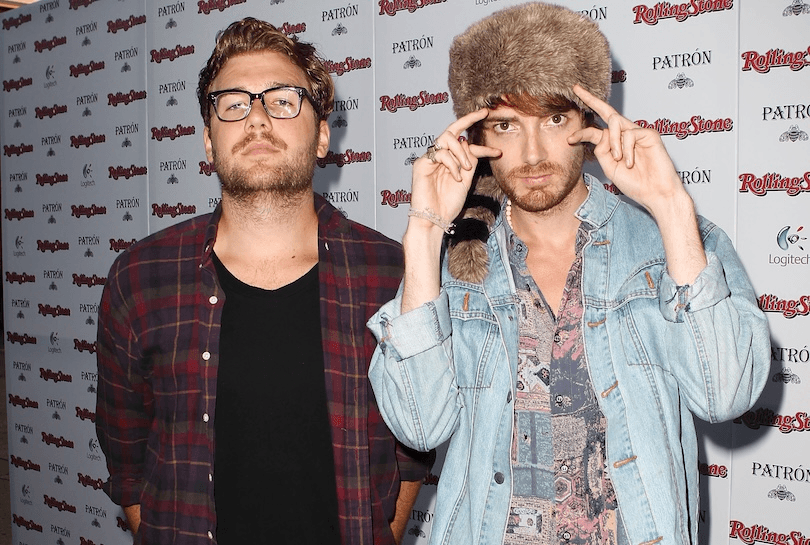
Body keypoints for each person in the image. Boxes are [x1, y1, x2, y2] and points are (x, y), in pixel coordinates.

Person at [367, 4, 770, 545]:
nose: (533, 153)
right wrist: (423, 233)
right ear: (476, 136)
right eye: (507, 125)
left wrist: (672, 206)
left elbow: (727, 394)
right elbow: (419, 426)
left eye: (554, 119)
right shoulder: (451, 265)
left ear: (587, 119)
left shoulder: (667, 242)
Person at [96, 17, 430, 545]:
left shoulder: (390, 273)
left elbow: (412, 452)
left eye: (282, 100)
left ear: (322, 135)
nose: (256, 118)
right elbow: (128, 465)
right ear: (209, 142)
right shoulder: (139, 280)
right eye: (233, 103)